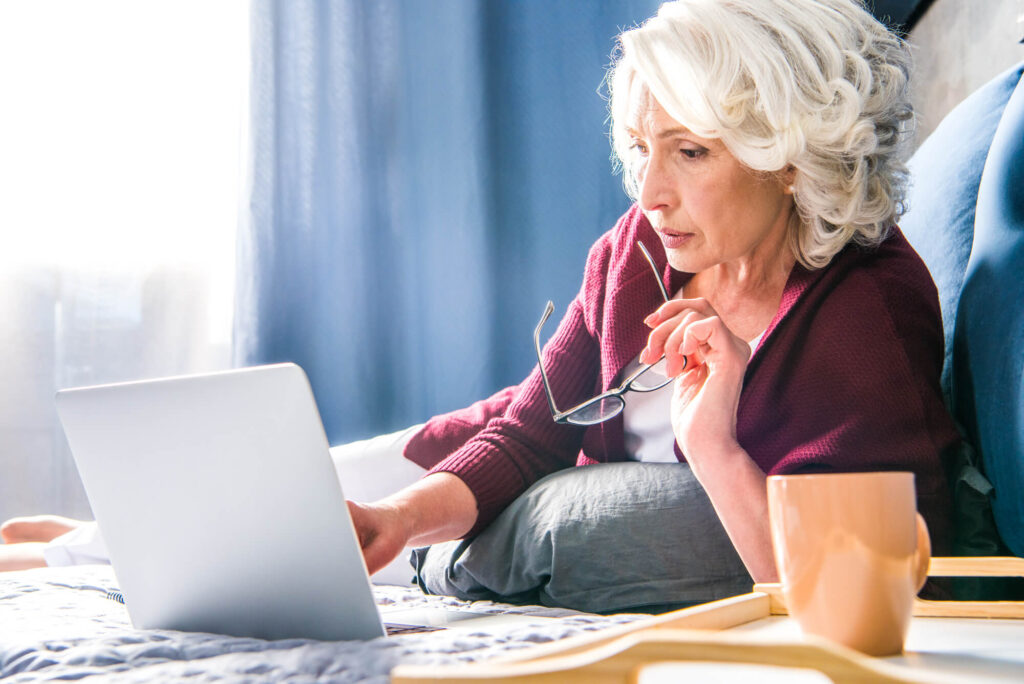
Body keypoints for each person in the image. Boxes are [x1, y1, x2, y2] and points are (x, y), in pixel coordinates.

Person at [3, 0, 959, 613]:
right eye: (642, 149)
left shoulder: (863, 315)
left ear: (786, 156)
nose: (649, 193)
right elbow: (535, 426)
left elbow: (828, 600)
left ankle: (81, 554)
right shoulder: (639, 251)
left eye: (691, 153)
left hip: (683, 506)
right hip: (492, 432)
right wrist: (398, 520)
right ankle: (88, 547)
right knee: (284, 507)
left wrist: (715, 441)